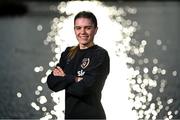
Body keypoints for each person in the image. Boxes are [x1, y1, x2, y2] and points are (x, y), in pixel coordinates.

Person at [47, 11, 110, 119]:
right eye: (78, 28)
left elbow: (87, 88)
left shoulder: (100, 55)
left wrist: (65, 79)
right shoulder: (68, 53)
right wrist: (76, 79)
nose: (83, 32)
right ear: (74, 30)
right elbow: (52, 83)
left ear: (95, 30)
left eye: (88, 28)